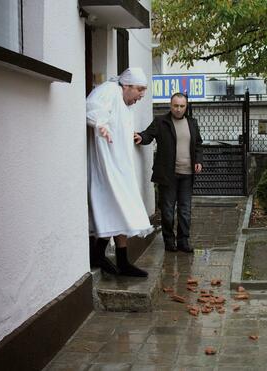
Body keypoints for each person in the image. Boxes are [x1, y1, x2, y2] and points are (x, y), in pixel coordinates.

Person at [86, 67, 153, 277]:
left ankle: (122, 260)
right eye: (140, 90)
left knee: (122, 206)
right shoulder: (109, 91)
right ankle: (99, 254)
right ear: (127, 85)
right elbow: (93, 108)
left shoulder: (125, 103)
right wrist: (100, 125)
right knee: (116, 205)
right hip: (106, 163)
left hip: (121, 165)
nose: (142, 95)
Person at [134, 92, 203, 253]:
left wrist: (199, 160)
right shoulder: (161, 122)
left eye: (182, 106)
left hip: (187, 175)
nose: (178, 109)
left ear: (186, 107)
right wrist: (139, 137)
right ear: (170, 105)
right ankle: (169, 241)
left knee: (185, 210)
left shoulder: (192, 123)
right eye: (175, 106)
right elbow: (148, 135)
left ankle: (183, 241)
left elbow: (198, 144)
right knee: (167, 210)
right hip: (168, 175)